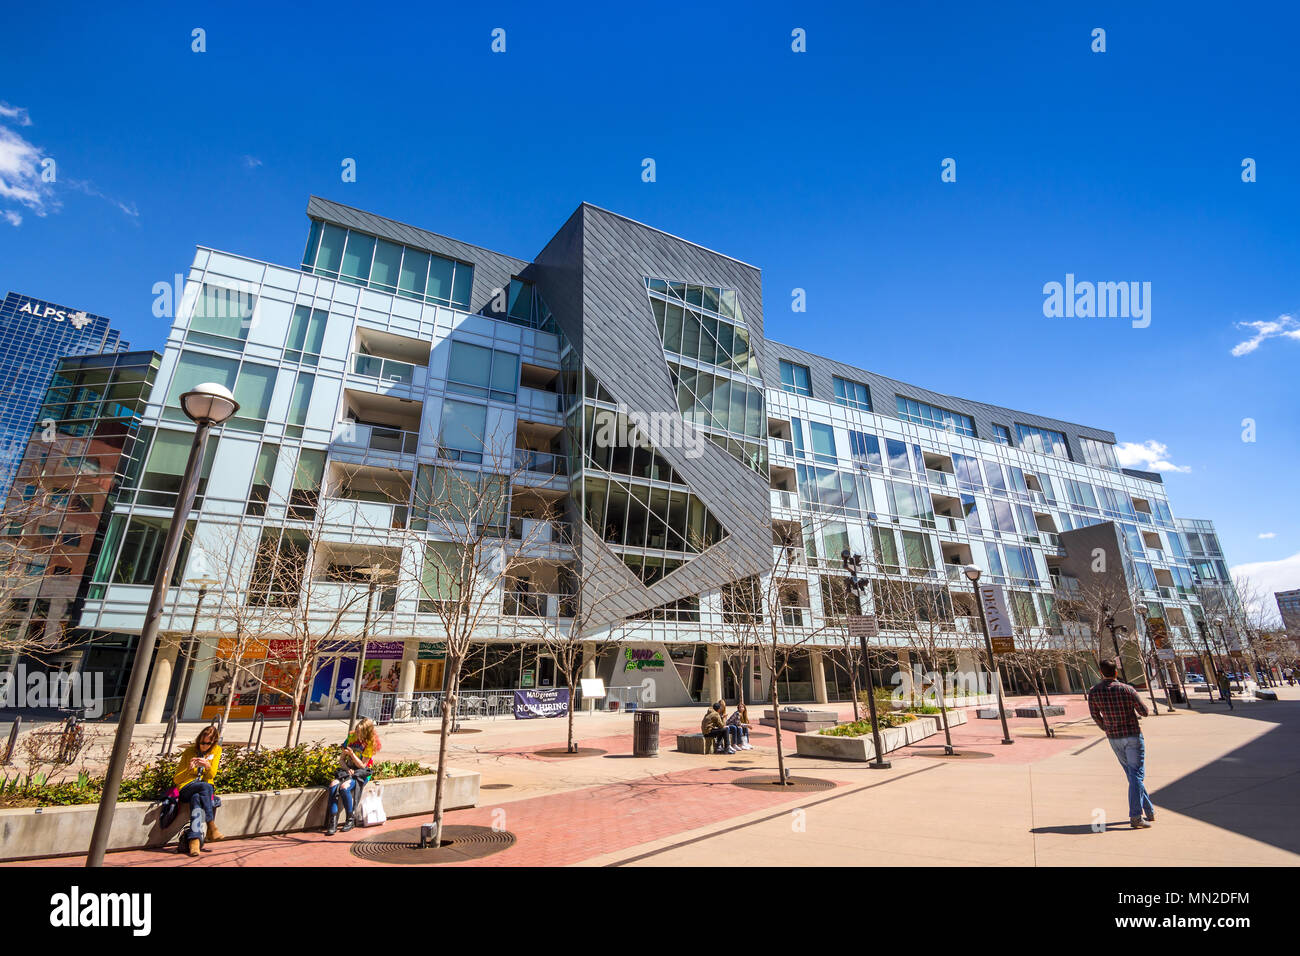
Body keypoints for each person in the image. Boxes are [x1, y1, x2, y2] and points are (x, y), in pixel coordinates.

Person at [1087, 658, 1155, 829]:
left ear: (1101, 673)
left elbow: (1095, 715)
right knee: (1136, 774)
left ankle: (1149, 810)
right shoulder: (1127, 689)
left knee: (1133, 775)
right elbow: (1144, 712)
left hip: (1113, 737)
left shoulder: (1094, 692)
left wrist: (1106, 727)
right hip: (1132, 735)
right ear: (1116, 672)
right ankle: (1136, 816)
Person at [325, 717, 382, 835]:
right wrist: (347, 769)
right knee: (333, 785)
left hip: (362, 772)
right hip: (348, 770)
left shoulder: (370, 743)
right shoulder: (350, 738)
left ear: (366, 732)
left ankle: (350, 819)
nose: (357, 734)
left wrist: (351, 754)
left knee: (344, 787)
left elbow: (362, 765)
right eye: (356, 731)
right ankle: (333, 821)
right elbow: (341, 760)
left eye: (360, 732)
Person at [173, 725, 223, 856]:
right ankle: (211, 825)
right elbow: (177, 780)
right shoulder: (189, 752)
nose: (204, 746)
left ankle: (194, 842)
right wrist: (189, 769)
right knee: (205, 787)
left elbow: (211, 776)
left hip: (201, 792)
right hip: (186, 788)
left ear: (213, 743)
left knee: (196, 798)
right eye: (202, 742)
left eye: (208, 743)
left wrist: (207, 766)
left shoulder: (216, 751)